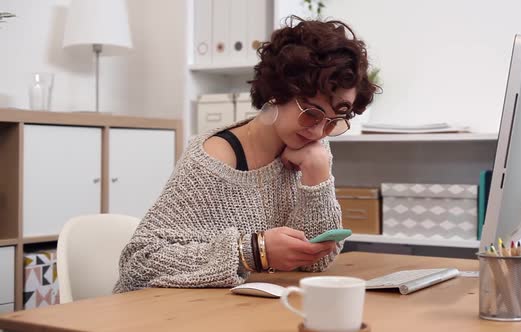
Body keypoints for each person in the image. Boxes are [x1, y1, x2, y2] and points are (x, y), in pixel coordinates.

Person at [114, 16, 378, 293]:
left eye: (334, 120)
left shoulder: (312, 151)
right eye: (310, 113)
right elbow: (138, 263)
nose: (319, 130)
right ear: (278, 91)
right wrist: (252, 251)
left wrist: (317, 173)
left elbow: (314, 263)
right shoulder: (214, 159)